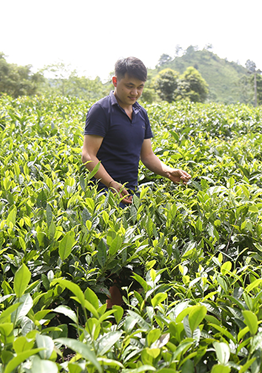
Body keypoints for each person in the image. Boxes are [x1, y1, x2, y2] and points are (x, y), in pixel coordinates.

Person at [81, 56, 190, 307]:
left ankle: (121, 318)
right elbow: (88, 154)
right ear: (115, 81)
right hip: (103, 196)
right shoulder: (102, 110)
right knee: (106, 258)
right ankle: (106, 319)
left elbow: (147, 155)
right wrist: (111, 184)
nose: (135, 92)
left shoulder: (141, 113)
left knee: (125, 259)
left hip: (130, 194)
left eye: (140, 87)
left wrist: (167, 171)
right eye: (130, 86)